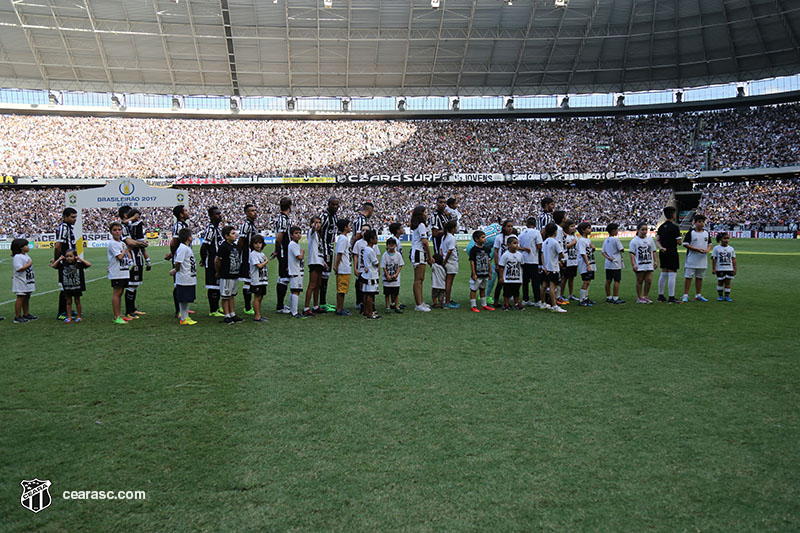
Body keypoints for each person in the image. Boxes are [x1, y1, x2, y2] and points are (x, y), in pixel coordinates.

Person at [120, 207, 149, 320]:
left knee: (135, 284)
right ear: (125, 215)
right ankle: (129, 311)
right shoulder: (122, 227)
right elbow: (129, 243)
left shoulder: (130, 225)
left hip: (137, 256)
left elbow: (134, 242)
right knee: (131, 284)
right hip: (130, 258)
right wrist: (141, 243)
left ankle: (133, 308)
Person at [50, 249, 91, 323]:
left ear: (74, 257)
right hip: (67, 287)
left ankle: (79, 316)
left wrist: (80, 259)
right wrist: (59, 259)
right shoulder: (63, 265)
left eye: (71, 256)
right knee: (68, 302)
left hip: (76, 286)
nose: (69, 258)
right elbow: (54, 266)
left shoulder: (78, 264)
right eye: (67, 256)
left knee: (77, 301)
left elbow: (89, 264)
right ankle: (69, 317)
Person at [215, 225, 244, 324]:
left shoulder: (234, 246)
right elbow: (217, 260)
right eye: (232, 233)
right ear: (226, 236)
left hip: (234, 274)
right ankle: (227, 315)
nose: (235, 235)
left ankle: (232, 314)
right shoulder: (223, 246)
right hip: (226, 275)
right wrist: (218, 271)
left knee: (231, 295)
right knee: (225, 296)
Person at [166, 205, 192, 318]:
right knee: (178, 284)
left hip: (184, 259)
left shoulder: (184, 225)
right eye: (185, 211)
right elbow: (173, 243)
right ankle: (179, 310)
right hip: (180, 259)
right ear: (181, 214)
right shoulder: (179, 226)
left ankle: (184, 308)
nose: (187, 212)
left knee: (184, 283)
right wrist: (175, 255)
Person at [170, 228, 198, 326]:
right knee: (183, 299)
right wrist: (175, 270)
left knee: (187, 299)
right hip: (184, 277)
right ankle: (184, 318)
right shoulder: (182, 248)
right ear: (188, 237)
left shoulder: (186, 247)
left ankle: (186, 316)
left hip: (189, 277)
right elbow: (178, 262)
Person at [200, 206, 224, 317]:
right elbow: (204, 246)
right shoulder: (210, 229)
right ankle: (213, 310)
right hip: (212, 261)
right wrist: (203, 259)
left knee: (218, 285)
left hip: (218, 261)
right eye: (217, 214)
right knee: (213, 285)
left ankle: (217, 307)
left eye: (220, 213)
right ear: (211, 216)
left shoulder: (217, 228)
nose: (219, 215)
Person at [682, 214, 712, 302]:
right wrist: (697, 249)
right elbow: (685, 244)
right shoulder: (691, 232)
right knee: (688, 277)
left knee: (699, 277)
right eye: (699, 222)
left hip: (702, 259)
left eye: (703, 222)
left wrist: (707, 250)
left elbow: (710, 244)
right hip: (691, 259)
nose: (701, 223)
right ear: (694, 223)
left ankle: (698, 295)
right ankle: (685, 295)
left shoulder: (706, 233)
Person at [656, 206, 683, 303]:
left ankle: (660, 295)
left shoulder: (661, 227)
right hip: (672, 251)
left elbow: (657, 240)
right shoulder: (675, 227)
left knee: (663, 272)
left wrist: (661, 247)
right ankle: (671, 297)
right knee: (672, 273)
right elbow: (679, 242)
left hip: (663, 252)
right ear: (673, 215)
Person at [54, 207, 77, 320]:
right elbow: (58, 246)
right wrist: (57, 260)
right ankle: (61, 312)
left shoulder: (68, 227)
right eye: (72, 217)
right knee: (65, 287)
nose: (74, 219)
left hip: (69, 261)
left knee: (70, 286)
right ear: (65, 217)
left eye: (75, 217)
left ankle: (67, 309)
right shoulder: (63, 227)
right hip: (65, 262)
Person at [107, 222, 132, 325]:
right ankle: (116, 316)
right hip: (117, 272)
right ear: (111, 232)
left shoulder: (121, 243)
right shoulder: (113, 243)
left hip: (123, 271)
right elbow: (120, 257)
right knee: (117, 293)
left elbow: (127, 255)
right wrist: (125, 249)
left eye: (119, 230)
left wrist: (127, 252)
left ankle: (120, 314)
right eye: (115, 230)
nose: (117, 232)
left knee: (120, 293)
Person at [318, 196, 340, 312]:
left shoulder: (335, 217)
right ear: (328, 204)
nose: (335, 207)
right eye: (333, 204)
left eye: (337, 204)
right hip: (324, 251)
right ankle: (321, 303)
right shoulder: (324, 217)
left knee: (326, 277)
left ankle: (323, 302)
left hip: (330, 250)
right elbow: (318, 232)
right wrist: (320, 251)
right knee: (322, 278)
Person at [410, 205, 433, 312]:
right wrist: (429, 256)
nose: (426, 214)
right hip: (419, 253)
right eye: (425, 212)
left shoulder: (418, 225)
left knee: (420, 279)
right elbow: (424, 242)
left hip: (418, 252)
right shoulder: (421, 225)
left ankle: (420, 302)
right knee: (418, 279)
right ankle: (418, 304)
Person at [304, 215, 327, 317]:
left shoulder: (319, 235)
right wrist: (313, 226)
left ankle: (316, 306)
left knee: (318, 285)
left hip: (319, 261)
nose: (318, 225)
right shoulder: (311, 232)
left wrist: (323, 261)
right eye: (315, 222)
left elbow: (319, 250)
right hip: (314, 261)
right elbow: (313, 229)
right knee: (312, 285)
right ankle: (306, 308)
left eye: (319, 222)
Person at [629, 222, 658, 304]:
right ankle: (639, 297)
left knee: (649, 281)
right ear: (638, 230)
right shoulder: (634, 241)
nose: (644, 231)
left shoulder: (650, 239)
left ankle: (646, 296)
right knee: (640, 280)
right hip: (640, 264)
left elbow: (654, 251)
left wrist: (656, 261)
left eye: (646, 230)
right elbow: (632, 253)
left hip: (649, 263)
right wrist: (634, 264)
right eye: (642, 230)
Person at [238, 203, 259, 316]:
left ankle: (248, 306)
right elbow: (241, 240)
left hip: (252, 257)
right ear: (246, 213)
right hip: (247, 258)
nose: (254, 213)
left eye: (255, 210)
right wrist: (238, 255)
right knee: (248, 280)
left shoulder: (252, 225)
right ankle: (247, 307)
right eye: (252, 211)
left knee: (250, 281)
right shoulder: (246, 225)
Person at [541, 223, 566, 313]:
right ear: (555, 231)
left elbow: (542, 255)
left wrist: (544, 266)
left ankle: (543, 303)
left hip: (546, 267)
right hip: (553, 267)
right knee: (552, 286)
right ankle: (554, 305)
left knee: (544, 285)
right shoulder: (555, 242)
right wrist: (561, 257)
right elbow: (561, 254)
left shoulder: (544, 242)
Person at [468, 230, 495, 313]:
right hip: (477, 273)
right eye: (482, 237)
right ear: (476, 239)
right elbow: (472, 262)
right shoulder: (473, 250)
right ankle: (473, 306)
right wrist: (474, 273)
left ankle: (484, 305)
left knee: (483, 289)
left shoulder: (486, 249)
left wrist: (490, 272)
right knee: (473, 289)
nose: (485, 239)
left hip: (485, 273)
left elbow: (489, 261)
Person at [11, 238, 37, 323]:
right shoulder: (17, 257)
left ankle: (26, 314)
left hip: (27, 279)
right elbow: (18, 269)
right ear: (20, 247)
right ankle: (17, 316)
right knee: (20, 297)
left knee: (27, 297)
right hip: (21, 280)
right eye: (26, 245)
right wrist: (29, 264)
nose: (28, 247)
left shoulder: (25, 255)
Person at [519, 217, 543, 307]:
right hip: (533, 259)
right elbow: (539, 245)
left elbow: (518, 246)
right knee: (535, 281)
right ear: (535, 225)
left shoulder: (522, 234)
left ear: (526, 224)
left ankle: (525, 299)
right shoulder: (536, 232)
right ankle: (537, 299)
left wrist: (524, 248)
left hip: (524, 259)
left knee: (525, 281)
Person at [274, 197, 292, 314]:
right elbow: (279, 237)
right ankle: (280, 306)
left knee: (284, 277)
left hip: (283, 252)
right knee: (283, 278)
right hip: (284, 252)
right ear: (290, 206)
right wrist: (277, 251)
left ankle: (281, 304)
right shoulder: (283, 219)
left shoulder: (281, 218)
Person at [601, 223, 626, 304]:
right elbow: (622, 249)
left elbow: (603, 252)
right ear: (613, 231)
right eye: (617, 230)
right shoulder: (616, 240)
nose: (617, 231)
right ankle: (615, 297)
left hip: (608, 263)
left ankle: (608, 297)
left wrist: (608, 257)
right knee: (617, 280)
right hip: (616, 263)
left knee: (608, 280)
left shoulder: (606, 240)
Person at [492, 220, 515, 305]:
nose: (510, 228)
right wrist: (496, 264)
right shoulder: (499, 237)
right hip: (501, 263)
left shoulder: (514, 236)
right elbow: (496, 251)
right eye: (508, 226)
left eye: (511, 226)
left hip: (511, 263)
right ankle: (496, 300)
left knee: (510, 281)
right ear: (504, 227)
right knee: (500, 282)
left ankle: (508, 298)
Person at [498, 235, 524, 311]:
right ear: (509, 244)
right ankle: (506, 304)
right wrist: (501, 277)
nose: (516, 245)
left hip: (517, 278)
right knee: (506, 292)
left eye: (517, 243)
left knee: (516, 292)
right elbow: (501, 266)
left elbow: (521, 266)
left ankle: (517, 303)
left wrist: (521, 278)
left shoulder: (520, 255)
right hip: (507, 278)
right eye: (514, 243)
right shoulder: (505, 255)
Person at [249, 234, 270, 322]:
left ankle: (259, 314)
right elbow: (259, 266)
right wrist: (266, 261)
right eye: (256, 243)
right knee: (257, 297)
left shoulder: (261, 254)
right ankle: (257, 316)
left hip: (262, 279)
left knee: (260, 297)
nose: (258, 245)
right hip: (256, 280)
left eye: (260, 243)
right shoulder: (253, 254)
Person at [361, 229, 381, 320]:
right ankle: (370, 312)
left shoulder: (366, 249)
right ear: (371, 239)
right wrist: (378, 265)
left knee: (366, 294)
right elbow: (375, 262)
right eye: (375, 238)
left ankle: (366, 311)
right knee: (370, 294)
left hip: (366, 274)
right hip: (371, 275)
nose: (377, 239)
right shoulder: (370, 250)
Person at [333, 218, 352, 316]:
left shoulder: (343, 238)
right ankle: (339, 309)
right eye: (349, 225)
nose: (350, 227)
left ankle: (340, 308)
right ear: (345, 227)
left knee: (342, 289)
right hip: (343, 268)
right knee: (341, 290)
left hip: (344, 267)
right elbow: (339, 253)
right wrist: (336, 266)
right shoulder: (343, 239)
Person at [352, 223, 372, 312]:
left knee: (369, 286)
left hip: (370, 270)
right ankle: (359, 302)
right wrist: (355, 268)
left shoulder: (372, 242)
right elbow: (355, 256)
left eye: (366, 230)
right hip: (361, 269)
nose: (364, 232)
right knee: (359, 286)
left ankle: (369, 303)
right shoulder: (358, 243)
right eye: (362, 230)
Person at [287, 226, 306, 319]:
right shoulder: (293, 244)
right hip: (296, 271)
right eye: (296, 233)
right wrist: (302, 252)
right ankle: (294, 312)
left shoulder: (295, 244)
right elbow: (299, 257)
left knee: (294, 290)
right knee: (296, 291)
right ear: (291, 235)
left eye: (299, 233)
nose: (298, 235)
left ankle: (292, 310)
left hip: (296, 271)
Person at [712, 232, 737, 302]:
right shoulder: (716, 248)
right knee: (720, 282)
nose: (726, 240)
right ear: (720, 239)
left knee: (728, 282)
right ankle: (720, 296)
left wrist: (735, 269)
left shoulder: (731, 249)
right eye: (724, 238)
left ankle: (727, 296)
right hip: (720, 268)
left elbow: (733, 259)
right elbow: (714, 259)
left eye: (727, 238)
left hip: (729, 268)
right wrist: (714, 269)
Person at [381, 237, 404, 314]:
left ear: (395, 245)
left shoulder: (398, 255)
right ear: (387, 245)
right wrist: (387, 275)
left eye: (393, 244)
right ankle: (387, 307)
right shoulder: (385, 255)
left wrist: (396, 274)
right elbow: (384, 266)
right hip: (387, 278)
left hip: (395, 278)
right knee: (387, 294)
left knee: (395, 293)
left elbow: (400, 265)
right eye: (389, 244)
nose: (391, 246)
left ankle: (396, 306)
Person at [576, 222, 596, 307]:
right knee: (586, 281)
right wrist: (588, 265)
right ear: (583, 230)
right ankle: (582, 299)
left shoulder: (587, 240)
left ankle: (586, 298)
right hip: (585, 264)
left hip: (590, 262)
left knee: (588, 281)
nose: (590, 230)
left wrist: (593, 247)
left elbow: (591, 249)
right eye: (588, 228)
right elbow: (583, 253)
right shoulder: (581, 241)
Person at [441, 219, 460, 308]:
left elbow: (441, 249)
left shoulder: (444, 237)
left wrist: (443, 260)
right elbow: (450, 251)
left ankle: (445, 299)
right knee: (449, 283)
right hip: (451, 262)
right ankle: (447, 301)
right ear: (453, 228)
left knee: (446, 282)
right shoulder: (452, 238)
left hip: (447, 261)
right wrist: (445, 261)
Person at [388, 221, 406, 310]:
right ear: (397, 230)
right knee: (394, 284)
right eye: (401, 228)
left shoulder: (397, 240)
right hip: (394, 265)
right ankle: (394, 302)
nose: (402, 229)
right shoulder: (394, 240)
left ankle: (395, 302)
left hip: (396, 264)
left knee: (395, 284)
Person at [560, 219, 579, 302]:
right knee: (564, 278)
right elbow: (564, 246)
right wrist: (572, 243)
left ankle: (571, 294)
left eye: (574, 226)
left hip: (574, 260)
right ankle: (561, 294)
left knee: (572, 278)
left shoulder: (575, 236)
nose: (573, 228)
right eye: (571, 226)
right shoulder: (565, 236)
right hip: (567, 260)